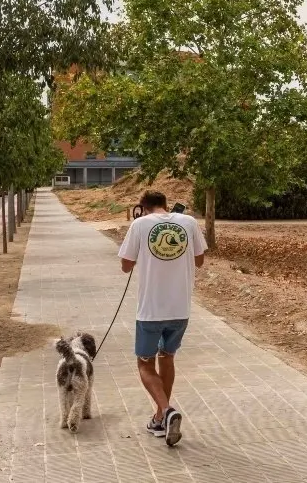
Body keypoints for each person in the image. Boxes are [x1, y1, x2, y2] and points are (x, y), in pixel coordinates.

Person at [118, 190, 206, 446]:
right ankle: (160, 419)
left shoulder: (140, 224)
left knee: (145, 364)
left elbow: (125, 265)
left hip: (150, 311)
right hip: (181, 309)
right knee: (167, 358)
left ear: (142, 208)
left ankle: (167, 411)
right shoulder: (188, 222)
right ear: (166, 205)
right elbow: (199, 260)